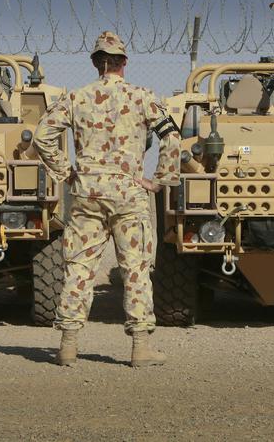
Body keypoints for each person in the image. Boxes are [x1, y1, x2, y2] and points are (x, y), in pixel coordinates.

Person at [33, 31, 181, 367]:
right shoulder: (142, 97)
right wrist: (160, 180)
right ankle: (140, 349)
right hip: (129, 194)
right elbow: (172, 136)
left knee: (79, 268)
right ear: (124, 62)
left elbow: (43, 135)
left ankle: (68, 346)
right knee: (135, 269)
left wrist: (66, 171)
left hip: (87, 193)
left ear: (96, 62)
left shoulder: (77, 97)